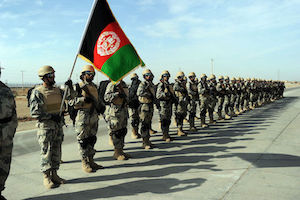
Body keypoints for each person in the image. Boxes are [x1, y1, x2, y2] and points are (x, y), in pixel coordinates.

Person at [30, 65, 75, 189]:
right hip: (46, 127)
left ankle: (55, 174)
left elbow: (71, 97)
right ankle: (46, 177)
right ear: (44, 78)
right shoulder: (37, 92)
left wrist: (70, 87)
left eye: (53, 74)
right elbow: (34, 112)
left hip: (57, 126)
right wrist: (50, 116)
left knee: (56, 151)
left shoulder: (58, 90)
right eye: (50, 75)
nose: (53, 77)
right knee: (46, 152)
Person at [70, 65, 105, 173]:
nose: (91, 76)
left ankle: (91, 160)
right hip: (83, 116)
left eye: (93, 74)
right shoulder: (78, 86)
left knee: (92, 139)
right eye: (89, 74)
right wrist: (83, 99)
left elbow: (98, 100)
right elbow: (71, 102)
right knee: (83, 141)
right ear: (83, 75)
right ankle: (85, 162)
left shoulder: (94, 86)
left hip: (93, 116)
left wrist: (101, 107)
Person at [0, 68, 18, 199]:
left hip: (5, 138)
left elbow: (13, 115)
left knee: (4, 166)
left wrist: (9, 134)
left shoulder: (6, 90)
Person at [104, 80, 131, 160]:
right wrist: (117, 94)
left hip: (123, 110)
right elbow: (106, 97)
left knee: (123, 131)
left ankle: (121, 150)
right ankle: (117, 152)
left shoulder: (124, 84)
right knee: (116, 132)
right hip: (115, 112)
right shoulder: (112, 84)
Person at [137, 69, 156, 149]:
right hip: (144, 105)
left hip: (150, 105)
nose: (149, 76)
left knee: (148, 124)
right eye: (147, 75)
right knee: (144, 124)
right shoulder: (143, 84)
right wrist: (148, 95)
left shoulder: (151, 84)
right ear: (144, 76)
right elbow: (139, 92)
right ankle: (145, 142)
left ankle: (148, 140)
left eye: (150, 75)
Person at [156, 70, 175, 142]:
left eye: (167, 76)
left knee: (168, 120)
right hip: (163, 105)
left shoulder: (168, 84)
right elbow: (158, 95)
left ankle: (167, 134)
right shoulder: (161, 85)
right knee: (164, 120)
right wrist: (165, 94)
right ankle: (164, 135)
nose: (166, 77)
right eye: (164, 76)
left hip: (168, 105)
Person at [173, 71, 189, 136]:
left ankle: (181, 129)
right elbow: (175, 88)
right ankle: (179, 130)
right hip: (179, 102)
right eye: (179, 77)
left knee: (182, 115)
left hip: (183, 102)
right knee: (179, 116)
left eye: (181, 77)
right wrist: (182, 89)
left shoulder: (183, 83)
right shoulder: (177, 84)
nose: (180, 78)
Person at [128, 73, 141, 139]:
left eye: (135, 79)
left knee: (137, 120)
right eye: (133, 79)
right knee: (133, 120)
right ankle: (134, 133)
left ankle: (136, 132)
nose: (134, 80)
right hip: (132, 105)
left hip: (138, 104)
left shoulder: (140, 84)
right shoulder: (131, 86)